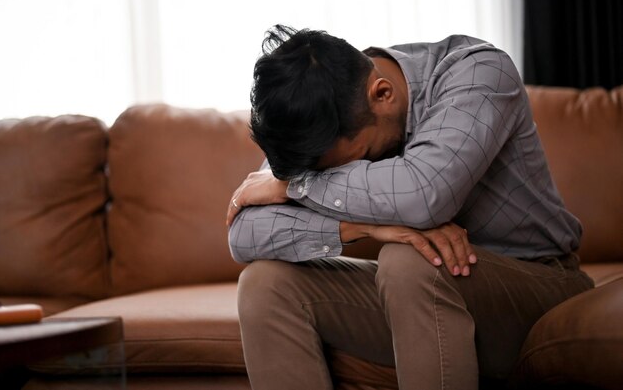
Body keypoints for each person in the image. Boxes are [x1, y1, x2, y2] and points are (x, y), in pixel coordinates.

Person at [226, 25, 593, 390]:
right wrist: (362, 228)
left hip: (539, 288)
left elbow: (423, 195)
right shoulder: (316, 110)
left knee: (410, 260)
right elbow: (243, 234)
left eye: (359, 162)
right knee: (265, 284)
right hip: (421, 303)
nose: (338, 179)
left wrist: (295, 185)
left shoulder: (478, 71)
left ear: (382, 94)